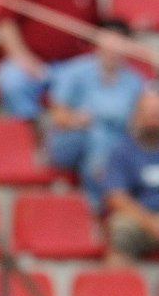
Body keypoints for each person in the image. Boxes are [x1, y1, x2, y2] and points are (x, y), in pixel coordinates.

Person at [46, 19, 145, 205]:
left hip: (111, 144)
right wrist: (75, 120)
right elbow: (58, 115)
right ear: (97, 43)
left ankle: (96, 205)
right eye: (108, 43)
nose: (113, 50)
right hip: (72, 140)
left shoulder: (135, 82)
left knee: (107, 145)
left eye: (119, 44)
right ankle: (101, 203)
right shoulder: (74, 71)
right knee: (97, 135)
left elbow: (136, 126)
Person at [104, 88, 159, 264]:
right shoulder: (123, 151)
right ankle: (119, 288)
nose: (153, 121)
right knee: (120, 229)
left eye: (156, 115)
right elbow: (116, 197)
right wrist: (150, 222)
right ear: (137, 116)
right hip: (141, 218)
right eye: (148, 114)